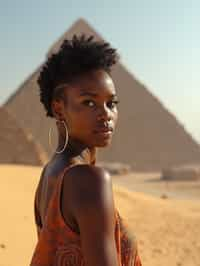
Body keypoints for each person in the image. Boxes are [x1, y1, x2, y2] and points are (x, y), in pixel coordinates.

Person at [30, 34, 142, 266]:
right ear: (59, 109)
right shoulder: (90, 180)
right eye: (89, 102)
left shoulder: (49, 173)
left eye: (111, 103)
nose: (106, 115)